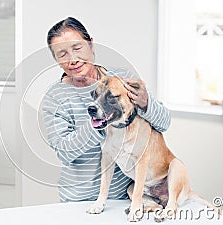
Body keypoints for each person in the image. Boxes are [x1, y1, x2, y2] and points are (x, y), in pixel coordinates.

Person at [42, 17, 171, 202]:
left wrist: (145, 103)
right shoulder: (55, 97)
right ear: (56, 60)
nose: (73, 59)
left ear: (91, 45)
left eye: (77, 48)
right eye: (62, 54)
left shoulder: (123, 79)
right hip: (78, 200)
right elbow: (64, 153)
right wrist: (99, 121)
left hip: (124, 196)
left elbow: (164, 123)